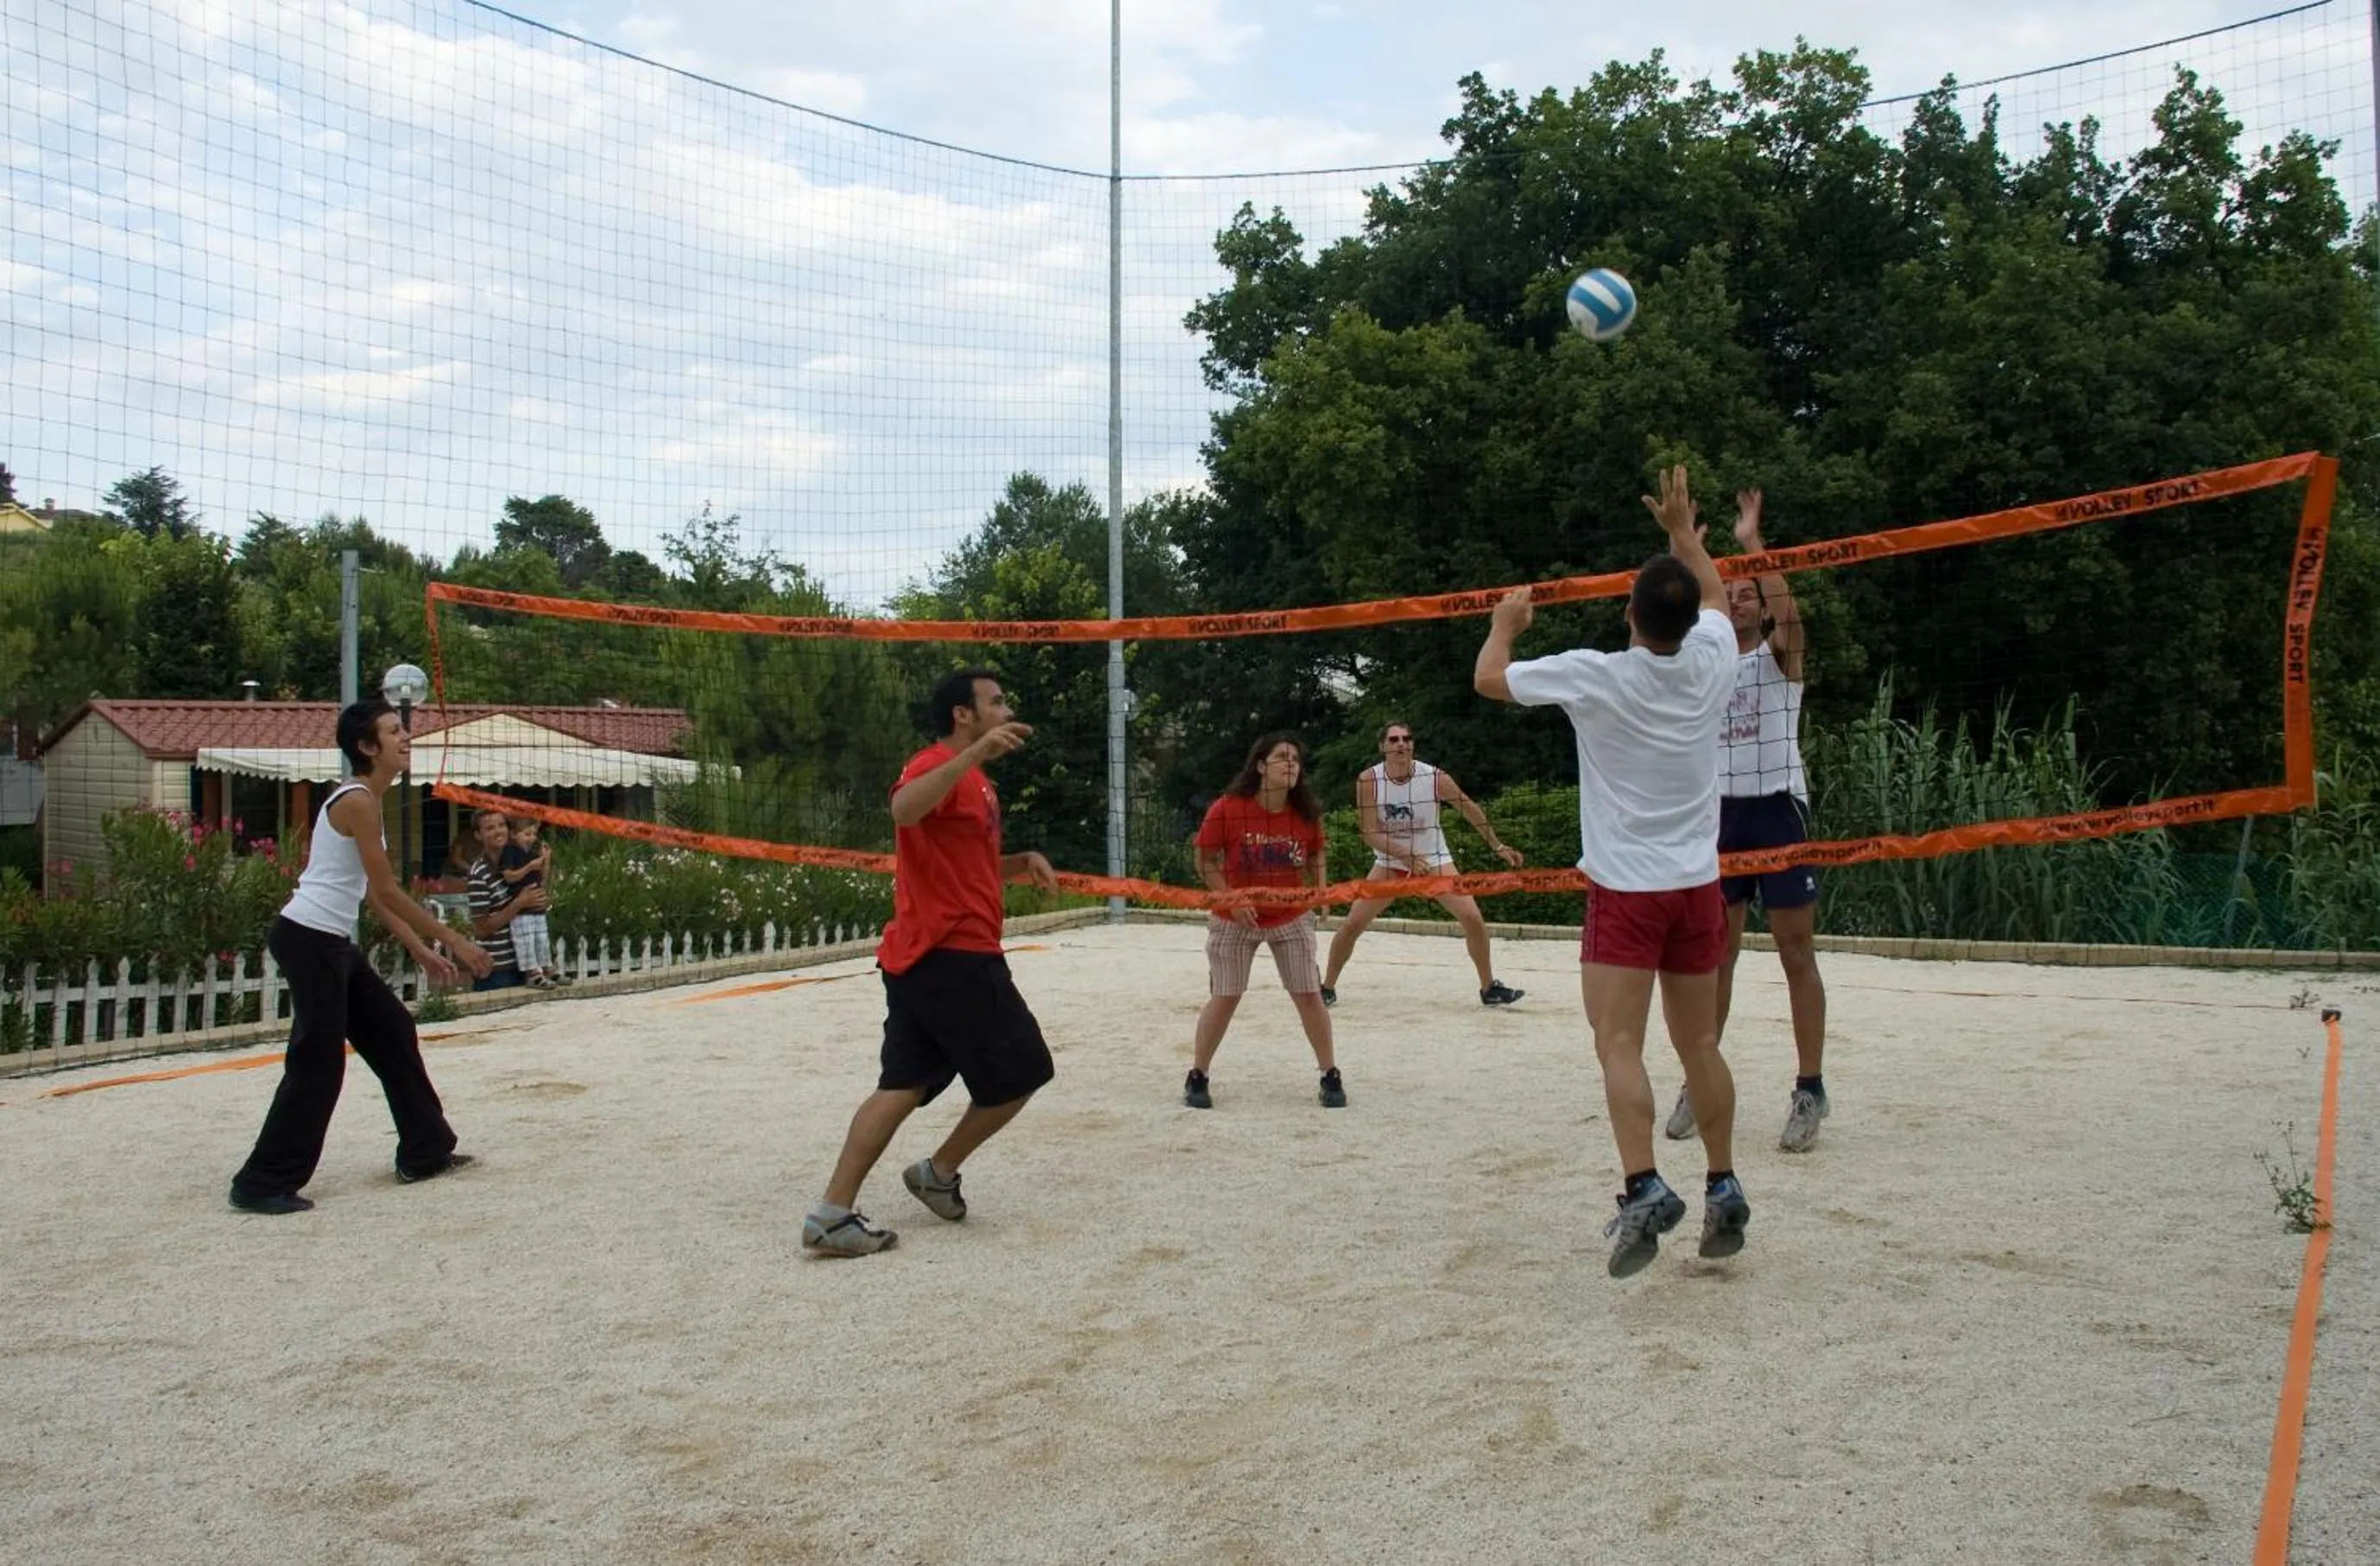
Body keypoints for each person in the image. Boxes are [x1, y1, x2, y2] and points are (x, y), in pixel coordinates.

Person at [1473, 464, 1751, 1278]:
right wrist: (1684, 535)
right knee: (1699, 1042)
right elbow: (1713, 592)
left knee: (1617, 1041)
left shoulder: (1596, 674)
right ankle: (1724, 1184)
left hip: (1627, 891)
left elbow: (1487, 680)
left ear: (1628, 614)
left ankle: (1642, 1187)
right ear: (1686, 621)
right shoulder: (1715, 658)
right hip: (1695, 886)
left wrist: (1504, 624)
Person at [802, 667, 1061, 1257]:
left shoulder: (977, 782)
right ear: (962, 715)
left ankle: (831, 1214)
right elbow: (903, 809)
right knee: (1025, 1070)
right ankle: (938, 1172)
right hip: (952, 954)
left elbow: (965, 863)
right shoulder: (935, 764)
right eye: (996, 702)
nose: (1006, 711)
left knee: (903, 1083)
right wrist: (970, 758)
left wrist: (1021, 862)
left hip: (923, 955)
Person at [228, 699, 493, 1214]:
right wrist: (456, 941)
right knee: (318, 1061)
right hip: (308, 938)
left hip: (330, 943)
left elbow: (371, 893)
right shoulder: (357, 801)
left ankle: (425, 1152)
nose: (406, 737)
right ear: (368, 747)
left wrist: (421, 949)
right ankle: (262, 1182)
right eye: (394, 731)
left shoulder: (368, 800)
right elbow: (389, 891)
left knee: (393, 1029)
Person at [1665, 487, 1831, 1152]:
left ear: (1761, 609)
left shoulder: (1778, 658)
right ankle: (1698, 1080)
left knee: (1795, 951)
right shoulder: (1703, 663)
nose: (1736, 599)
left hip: (1775, 809)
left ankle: (1809, 1088)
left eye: (1747, 594)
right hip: (1719, 815)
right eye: (1729, 592)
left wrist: (1751, 547)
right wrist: (1684, 547)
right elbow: (1665, 614)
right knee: (1716, 955)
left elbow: (1789, 615)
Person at [1183, 733, 1342, 1110]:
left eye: (1296, 759)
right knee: (1226, 996)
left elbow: (1317, 853)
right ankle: (1198, 1075)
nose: (1291, 764)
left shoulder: (1304, 812)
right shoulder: (1228, 807)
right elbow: (1204, 861)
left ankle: (1330, 1074)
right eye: (1282, 757)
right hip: (1235, 916)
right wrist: (1232, 898)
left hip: (1291, 914)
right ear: (1260, 766)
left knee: (1309, 994)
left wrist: (1321, 893)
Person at [1318, 721, 1526, 1009]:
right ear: (1382, 747)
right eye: (1394, 740)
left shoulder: (1435, 777)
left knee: (1473, 919)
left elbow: (1468, 808)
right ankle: (1326, 988)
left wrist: (1497, 845)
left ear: (1412, 745)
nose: (1401, 744)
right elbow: (1369, 833)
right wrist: (1406, 856)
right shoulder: (1369, 780)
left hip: (1434, 860)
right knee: (1353, 923)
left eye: (1407, 739)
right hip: (1391, 861)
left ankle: (1489, 987)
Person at [464, 810, 540, 992]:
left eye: (501, 825)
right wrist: (518, 904)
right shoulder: (478, 874)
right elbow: (481, 929)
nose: (498, 831)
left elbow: (535, 900)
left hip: (526, 963)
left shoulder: (521, 862)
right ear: (478, 835)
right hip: (497, 969)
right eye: (490, 828)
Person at [499, 816, 565, 988]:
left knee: (542, 939)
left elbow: (543, 876)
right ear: (514, 834)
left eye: (534, 834)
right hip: (521, 909)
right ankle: (532, 973)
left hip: (537, 905)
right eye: (527, 834)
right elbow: (509, 877)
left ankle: (547, 967)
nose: (532, 838)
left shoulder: (532, 853)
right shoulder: (510, 851)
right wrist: (529, 867)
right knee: (526, 941)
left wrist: (546, 859)